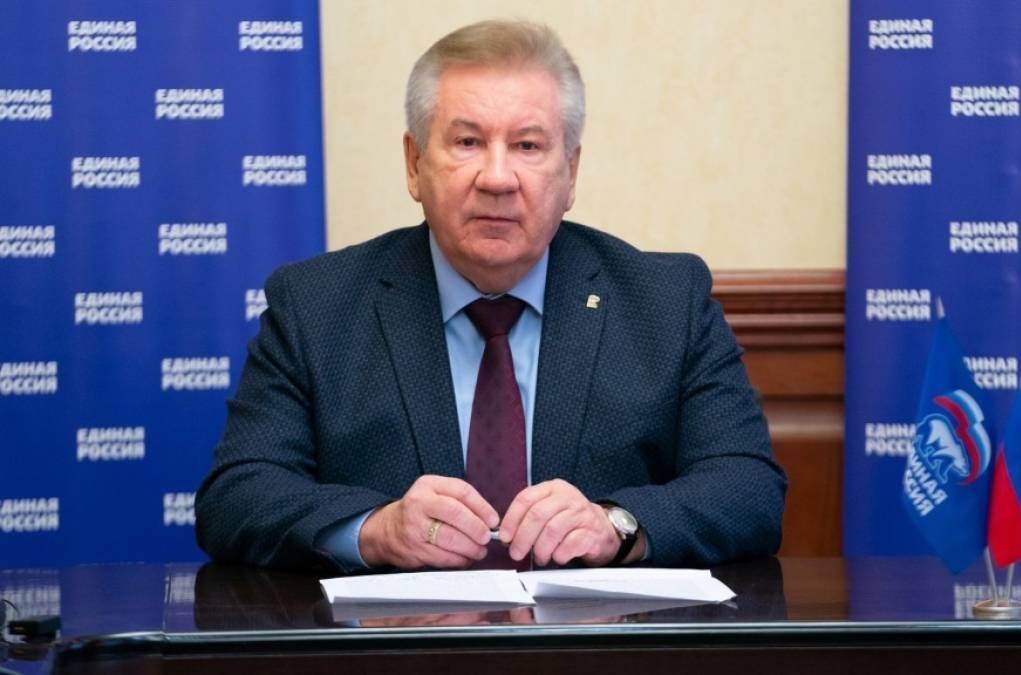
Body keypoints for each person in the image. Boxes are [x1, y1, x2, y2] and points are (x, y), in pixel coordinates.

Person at [195, 19, 785, 573]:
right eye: (468, 141)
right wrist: (375, 529)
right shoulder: (316, 305)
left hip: (594, 637)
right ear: (414, 164)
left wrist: (618, 525)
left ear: (571, 172)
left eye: (527, 146)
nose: (497, 178)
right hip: (402, 640)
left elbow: (749, 487)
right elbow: (237, 496)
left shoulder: (665, 302)